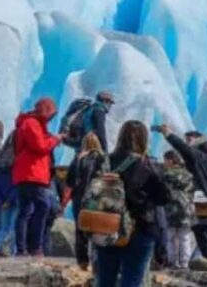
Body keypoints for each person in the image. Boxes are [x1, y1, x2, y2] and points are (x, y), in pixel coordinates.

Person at [94, 120, 169, 287]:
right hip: (140, 227)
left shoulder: (105, 162)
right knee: (132, 280)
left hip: (107, 226)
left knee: (105, 281)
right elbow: (164, 197)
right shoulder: (149, 164)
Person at [155, 125, 207, 263]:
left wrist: (168, 134)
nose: (187, 143)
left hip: (200, 204)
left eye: (189, 140)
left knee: (203, 236)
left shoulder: (198, 157)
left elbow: (183, 149)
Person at [12, 97, 64, 256]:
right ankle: (34, 246)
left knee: (26, 210)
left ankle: (23, 248)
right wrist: (56, 139)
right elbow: (40, 146)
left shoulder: (31, 123)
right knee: (43, 207)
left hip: (26, 174)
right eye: (50, 113)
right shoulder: (32, 124)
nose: (50, 117)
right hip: (32, 173)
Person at [65, 132, 106, 270]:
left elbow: (69, 180)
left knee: (80, 228)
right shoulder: (102, 158)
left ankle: (82, 261)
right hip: (96, 198)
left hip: (79, 198)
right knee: (97, 229)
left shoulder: (78, 158)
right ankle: (97, 260)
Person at [161, 150, 195, 270]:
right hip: (186, 209)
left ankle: (173, 261)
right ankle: (185, 262)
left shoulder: (165, 175)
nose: (164, 163)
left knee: (170, 237)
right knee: (184, 237)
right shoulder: (188, 175)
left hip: (171, 209)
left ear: (170, 160)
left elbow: (163, 192)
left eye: (165, 160)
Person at [0, 132, 19, 258]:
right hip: (15, 199)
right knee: (13, 225)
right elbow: (18, 184)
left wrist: (1, 201)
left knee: (2, 226)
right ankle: (12, 250)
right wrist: (10, 200)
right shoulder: (17, 162)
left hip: (1, 200)